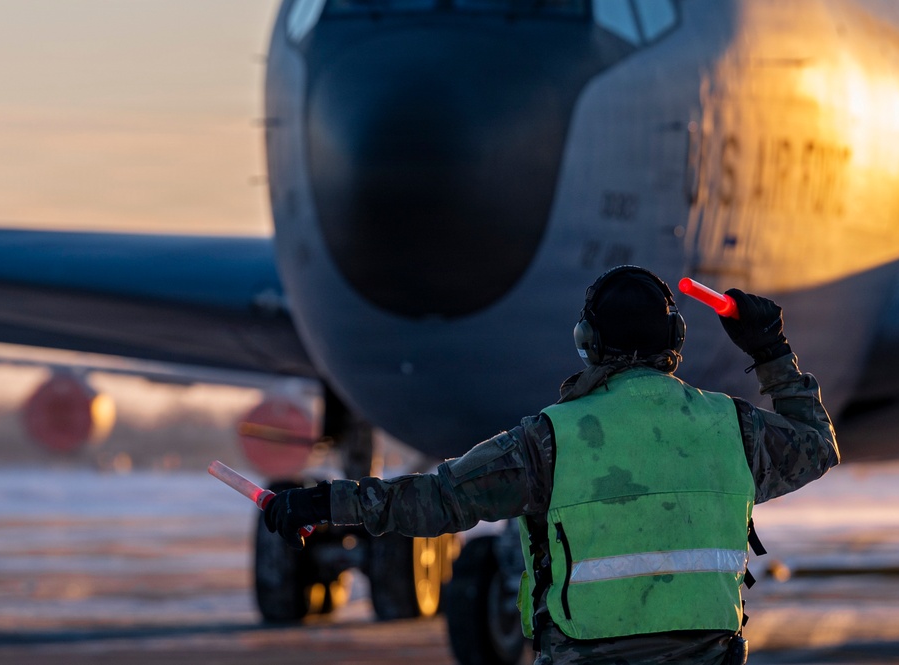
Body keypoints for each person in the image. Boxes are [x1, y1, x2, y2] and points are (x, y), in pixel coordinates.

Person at [262, 265, 839, 665]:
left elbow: (434, 500)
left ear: (588, 342)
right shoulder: (729, 430)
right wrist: (769, 350)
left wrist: (326, 502)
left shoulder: (551, 441)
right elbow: (816, 445)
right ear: (675, 341)